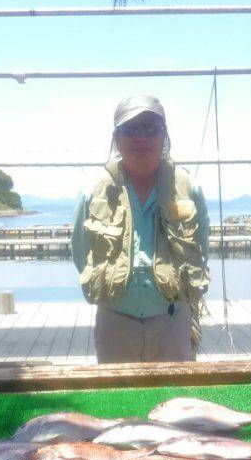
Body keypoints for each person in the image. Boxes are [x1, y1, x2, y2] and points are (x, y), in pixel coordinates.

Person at [72, 94, 210, 364]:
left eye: (151, 129)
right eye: (130, 130)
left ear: (164, 136)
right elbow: (80, 252)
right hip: (115, 323)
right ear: (116, 138)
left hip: (173, 321)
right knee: (118, 403)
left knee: (176, 402)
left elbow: (202, 247)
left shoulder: (190, 188)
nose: (141, 138)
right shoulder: (93, 191)